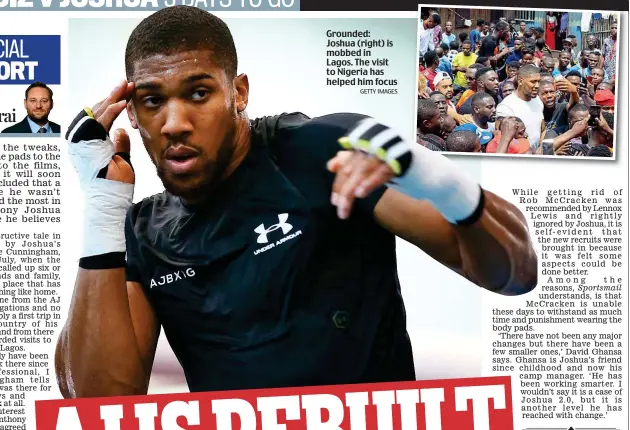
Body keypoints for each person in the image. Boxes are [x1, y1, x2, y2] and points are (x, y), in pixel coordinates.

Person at [55, 7, 537, 398]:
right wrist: (102, 204)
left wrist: (436, 179)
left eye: (198, 93)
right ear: (132, 115)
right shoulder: (142, 231)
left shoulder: (320, 154)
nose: (174, 122)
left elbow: (515, 274)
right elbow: (98, 404)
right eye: (152, 101)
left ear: (238, 92)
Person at [496, 64, 544, 151]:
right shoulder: (506, 107)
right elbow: (501, 140)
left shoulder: (537, 100)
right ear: (520, 81)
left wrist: (539, 150)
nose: (537, 86)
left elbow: (542, 128)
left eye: (539, 81)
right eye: (533, 82)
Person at [602, 21, 617, 88]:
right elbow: (603, 56)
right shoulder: (606, 41)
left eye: (616, 28)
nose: (614, 29)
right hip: (607, 71)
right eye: (612, 28)